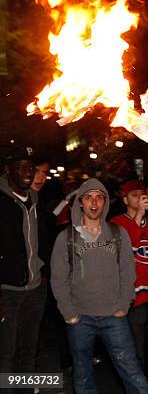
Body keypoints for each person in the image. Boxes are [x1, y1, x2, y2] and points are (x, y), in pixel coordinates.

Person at [50, 179, 148, 394]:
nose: (94, 202)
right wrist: (69, 313)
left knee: (133, 373)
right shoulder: (65, 237)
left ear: (105, 202)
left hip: (114, 317)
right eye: (88, 197)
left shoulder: (117, 233)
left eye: (99, 197)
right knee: (83, 375)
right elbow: (58, 278)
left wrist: (124, 305)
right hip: (80, 319)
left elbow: (128, 272)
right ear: (80, 203)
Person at [111, 180, 148, 393]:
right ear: (125, 200)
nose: (141, 198)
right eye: (135, 195)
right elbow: (127, 249)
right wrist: (138, 217)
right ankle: (138, 388)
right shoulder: (116, 223)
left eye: (143, 194)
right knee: (136, 348)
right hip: (132, 296)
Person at [0, 146, 48, 391]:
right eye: (22, 167)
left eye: (31, 167)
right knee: (5, 354)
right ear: (8, 170)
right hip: (6, 290)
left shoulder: (36, 199)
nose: (29, 173)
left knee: (28, 350)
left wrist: (43, 274)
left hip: (35, 289)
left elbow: (42, 240)